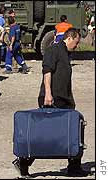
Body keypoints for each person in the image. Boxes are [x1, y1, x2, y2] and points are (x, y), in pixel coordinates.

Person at [12, 28, 90, 178]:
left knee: (73, 129)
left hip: (65, 99)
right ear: (70, 38)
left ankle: (74, 166)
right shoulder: (53, 49)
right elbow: (47, 71)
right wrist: (48, 93)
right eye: (77, 42)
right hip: (52, 98)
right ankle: (23, 162)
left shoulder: (67, 54)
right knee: (44, 133)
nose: (77, 45)